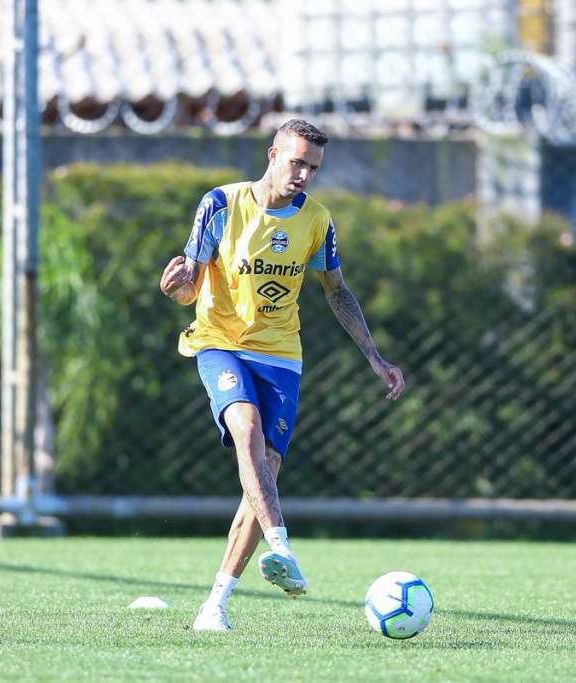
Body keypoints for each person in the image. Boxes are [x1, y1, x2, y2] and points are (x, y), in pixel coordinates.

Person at [159, 119, 406, 632]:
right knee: (245, 428)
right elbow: (190, 287)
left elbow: (337, 291)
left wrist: (374, 356)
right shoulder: (221, 204)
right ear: (273, 154)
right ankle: (282, 545)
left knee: (265, 472)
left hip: (281, 357)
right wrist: (175, 289)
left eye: (313, 168)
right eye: (296, 162)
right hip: (219, 343)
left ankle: (214, 607)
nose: (303, 175)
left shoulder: (317, 221)